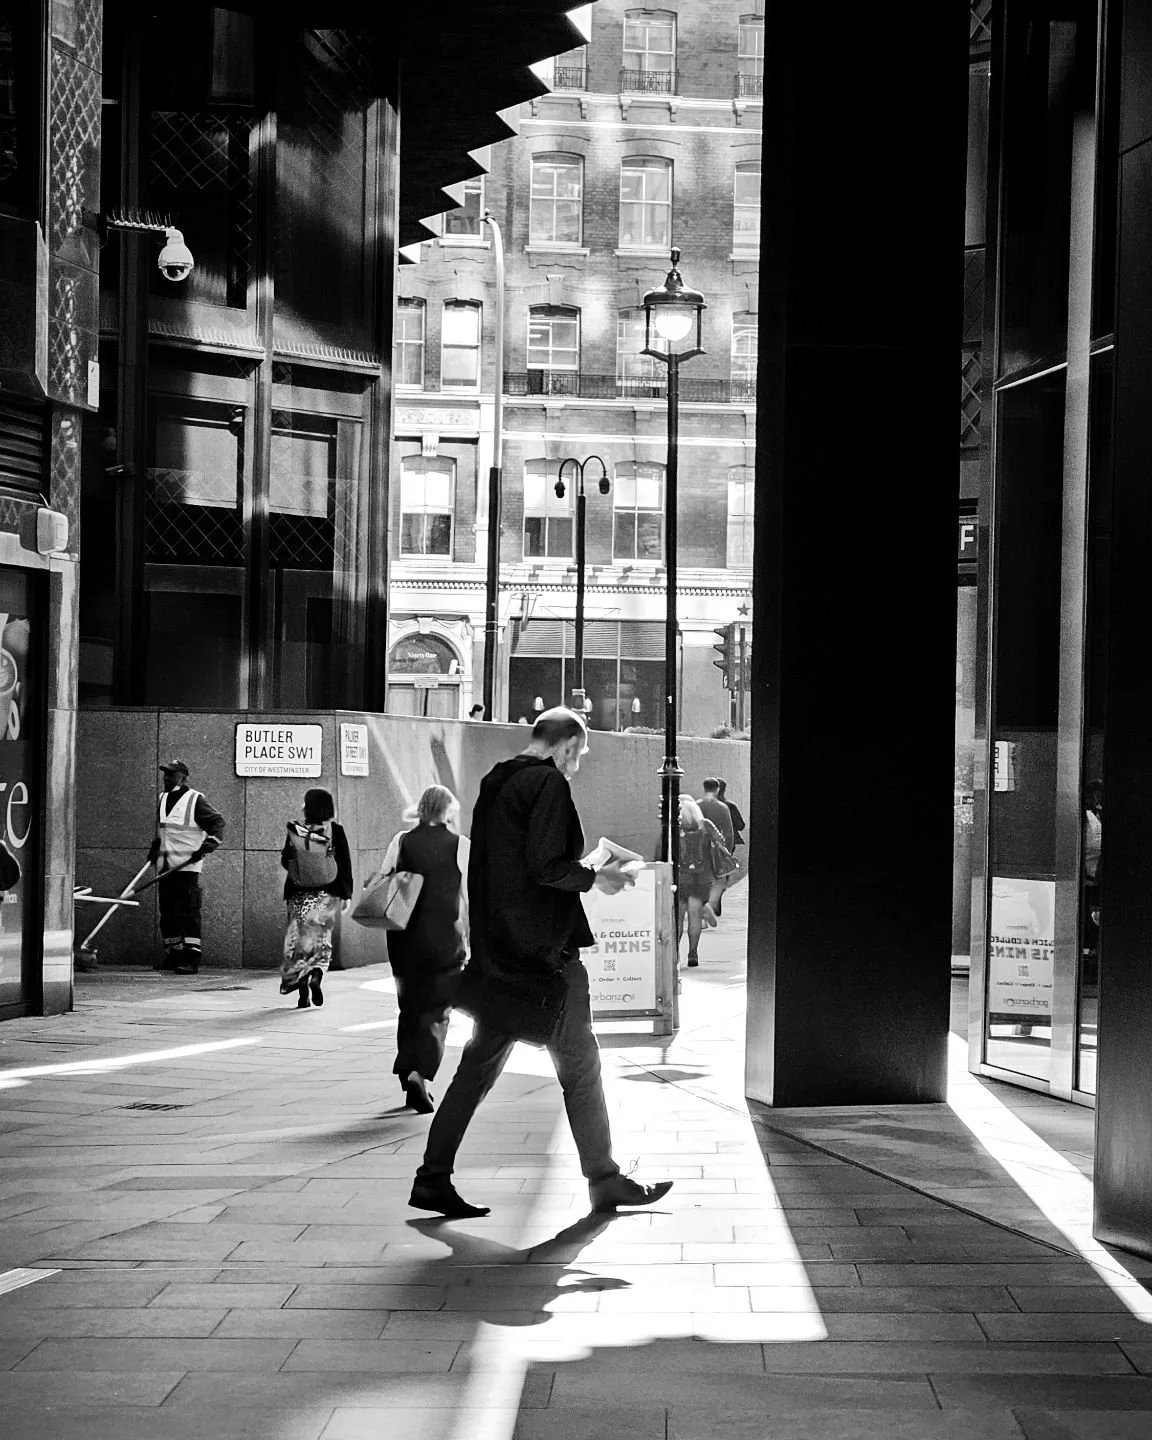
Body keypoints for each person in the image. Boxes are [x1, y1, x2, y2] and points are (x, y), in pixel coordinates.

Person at [409, 706, 673, 1220]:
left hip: (501, 956)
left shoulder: (496, 782)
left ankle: (432, 1178)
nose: (579, 763)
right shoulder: (547, 784)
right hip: (543, 962)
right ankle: (604, 1179)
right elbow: (546, 866)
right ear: (568, 745)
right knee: (581, 1064)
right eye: (581, 753)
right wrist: (599, 875)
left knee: (478, 1067)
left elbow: (500, 871)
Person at [383, 785, 470, 1114]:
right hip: (444, 940)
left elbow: (384, 881)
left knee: (409, 1006)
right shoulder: (461, 846)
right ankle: (421, 1072)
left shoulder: (401, 841)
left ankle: (408, 1074)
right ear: (448, 810)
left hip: (404, 939)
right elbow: (469, 899)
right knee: (437, 1011)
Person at [148, 760, 225, 975]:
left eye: (171, 775)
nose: (166, 778)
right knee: (168, 913)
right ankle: (173, 954)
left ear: (182, 777)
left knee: (187, 913)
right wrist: (155, 847)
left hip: (187, 867)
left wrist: (208, 845)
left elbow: (218, 823)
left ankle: (191, 959)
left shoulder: (195, 799)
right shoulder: (162, 799)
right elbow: (164, 830)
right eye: (165, 775)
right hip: (166, 867)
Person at [280, 787, 353, 1009]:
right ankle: (316, 975)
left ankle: (302, 993)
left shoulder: (297, 830)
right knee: (321, 939)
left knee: (300, 939)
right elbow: (345, 863)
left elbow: (286, 860)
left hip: (298, 893)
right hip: (326, 892)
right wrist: (346, 894)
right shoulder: (335, 830)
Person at [678, 795, 728, 968]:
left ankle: (674, 955)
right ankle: (693, 953)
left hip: (681, 877)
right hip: (703, 878)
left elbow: (661, 850)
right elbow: (721, 842)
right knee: (694, 916)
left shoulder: (674, 825)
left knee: (678, 918)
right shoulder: (705, 824)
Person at [698, 778, 734, 918]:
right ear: (718, 789)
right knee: (719, 879)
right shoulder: (722, 808)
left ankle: (702, 904)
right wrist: (727, 851)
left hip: (700, 848)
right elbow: (728, 832)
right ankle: (712, 905)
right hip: (716, 849)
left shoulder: (697, 805)